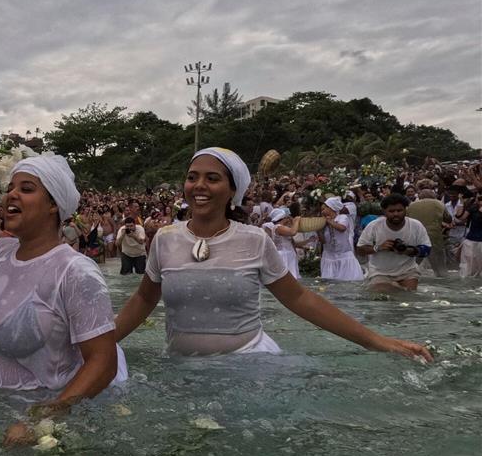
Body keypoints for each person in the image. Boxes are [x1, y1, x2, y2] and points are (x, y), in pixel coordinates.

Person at [114, 148, 431, 361]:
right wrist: (96, 345)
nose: (199, 185)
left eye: (213, 178)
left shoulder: (254, 240)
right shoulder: (165, 240)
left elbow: (300, 299)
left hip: (249, 364)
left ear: (232, 191)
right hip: (180, 368)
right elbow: (142, 300)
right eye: (192, 176)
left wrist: (377, 341)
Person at [0, 154, 127, 446]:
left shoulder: (74, 271)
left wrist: (43, 419)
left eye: (26, 189)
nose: (11, 194)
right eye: (11, 188)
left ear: (53, 205)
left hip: (34, 424)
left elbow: (103, 362)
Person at [356, 194, 431, 292]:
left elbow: (427, 249)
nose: (396, 214)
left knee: (409, 296)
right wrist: (378, 248)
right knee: (382, 295)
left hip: (408, 271)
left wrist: (408, 250)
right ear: (384, 212)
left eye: (399, 210)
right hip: (380, 272)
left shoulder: (416, 225)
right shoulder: (374, 226)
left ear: (405, 210)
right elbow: (359, 250)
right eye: (391, 211)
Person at [406, 188, 450, 277]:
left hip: (416, 236)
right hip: (434, 235)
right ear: (433, 195)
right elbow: (448, 218)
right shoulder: (439, 204)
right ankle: (442, 279)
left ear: (420, 196)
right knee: (438, 262)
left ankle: (406, 276)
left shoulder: (412, 205)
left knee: (414, 260)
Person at [320, 197, 364, 281]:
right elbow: (323, 241)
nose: (322, 211)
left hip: (343, 255)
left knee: (347, 281)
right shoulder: (323, 222)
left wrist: (329, 222)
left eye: (324, 209)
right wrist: (319, 231)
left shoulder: (342, 217)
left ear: (331, 208)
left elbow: (342, 228)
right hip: (329, 256)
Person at [263, 207, 300, 279]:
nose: (288, 219)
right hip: (284, 255)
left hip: (289, 254)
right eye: (286, 217)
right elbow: (293, 232)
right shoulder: (278, 227)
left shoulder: (283, 227)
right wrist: (296, 221)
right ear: (283, 218)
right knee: (286, 278)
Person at [456, 192, 482, 277]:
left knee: (479, 266)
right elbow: (460, 218)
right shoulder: (473, 208)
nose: (479, 201)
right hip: (470, 240)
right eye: (478, 199)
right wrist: (461, 203)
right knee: (466, 265)